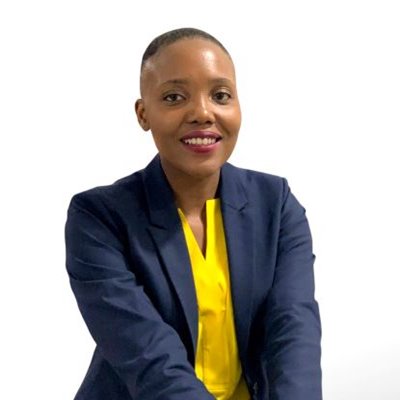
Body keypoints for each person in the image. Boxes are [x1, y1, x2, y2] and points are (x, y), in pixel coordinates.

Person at [65, 27, 322, 400]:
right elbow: (150, 358)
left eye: (221, 96)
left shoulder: (276, 205)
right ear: (143, 114)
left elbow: (293, 331)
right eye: (174, 97)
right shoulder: (100, 218)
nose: (203, 112)